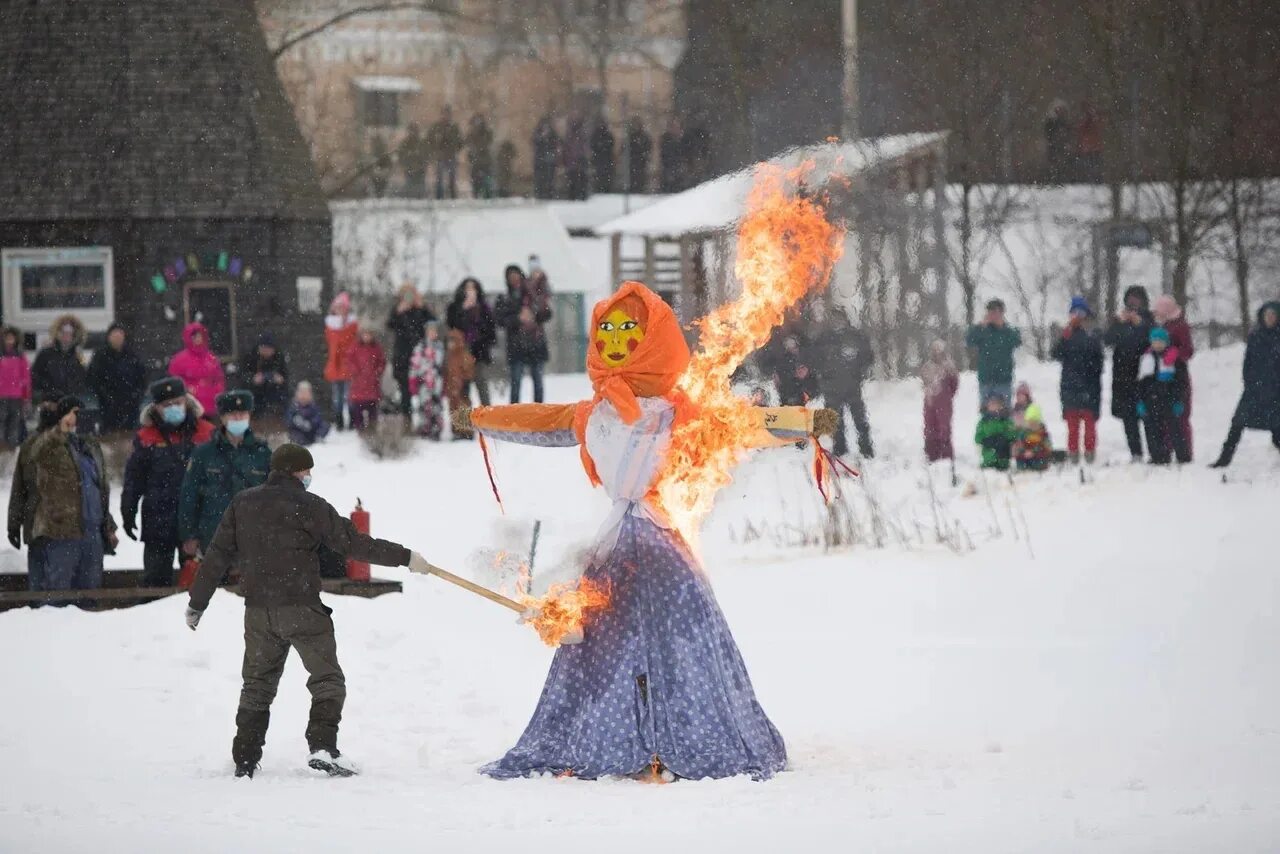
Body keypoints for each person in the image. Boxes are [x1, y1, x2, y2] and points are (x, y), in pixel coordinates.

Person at [464, 282, 834, 781]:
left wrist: (804, 421)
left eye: (629, 330)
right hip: (617, 544)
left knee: (682, 641)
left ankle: (685, 737)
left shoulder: (678, 413)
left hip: (656, 541)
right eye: (609, 330)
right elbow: (538, 420)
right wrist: (481, 417)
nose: (616, 339)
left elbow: (741, 423)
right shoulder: (592, 414)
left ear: (654, 339)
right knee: (602, 643)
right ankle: (610, 738)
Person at [184, 442, 429, 779]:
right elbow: (354, 544)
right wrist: (405, 557)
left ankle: (244, 758)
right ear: (298, 472)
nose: (309, 477)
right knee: (327, 680)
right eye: (307, 471)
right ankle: (323, 748)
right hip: (302, 609)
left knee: (256, 685)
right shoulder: (310, 505)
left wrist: (198, 602)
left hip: (258, 611)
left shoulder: (243, 503)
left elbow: (216, 556)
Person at [7, 397, 117, 595]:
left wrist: (108, 524)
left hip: (91, 532)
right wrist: (14, 524)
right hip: (58, 531)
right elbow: (22, 485)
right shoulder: (47, 445)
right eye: (71, 413)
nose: (76, 418)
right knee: (56, 597)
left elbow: (98, 490)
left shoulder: (90, 447)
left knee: (89, 595)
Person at [121, 377, 215, 586]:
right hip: (158, 521)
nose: (173, 408)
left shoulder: (207, 432)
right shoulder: (146, 437)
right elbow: (133, 480)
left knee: (199, 581)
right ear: (156, 408)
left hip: (196, 523)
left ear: (186, 401)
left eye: (177, 402)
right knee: (155, 580)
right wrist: (128, 509)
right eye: (167, 405)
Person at [178, 390, 271, 559]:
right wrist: (189, 535)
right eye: (232, 414)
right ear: (222, 418)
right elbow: (189, 496)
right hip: (213, 536)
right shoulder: (204, 453)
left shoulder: (263, 453)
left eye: (242, 414)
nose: (238, 418)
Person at [1210, 301, 1280, 469]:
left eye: (1273, 315)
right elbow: (1247, 363)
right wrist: (1249, 382)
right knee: (1237, 424)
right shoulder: (1255, 336)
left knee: (1277, 426)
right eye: (1267, 315)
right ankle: (1224, 458)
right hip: (1254, 389)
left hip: (1276, 391)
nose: (1269, 318)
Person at [810, 306, 874, 458]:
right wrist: (822, 374)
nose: (837, 321)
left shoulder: (856, 336)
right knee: (835, 422)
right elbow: (813, 359)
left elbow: (868, 356)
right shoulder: (823, 338)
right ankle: (839, 449)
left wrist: (860, 370)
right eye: (834, 318)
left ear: (845, 319)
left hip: (852, 386)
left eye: (840, 318)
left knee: (860, 420)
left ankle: (866, 449)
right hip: (831, 388)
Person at [1050, 296, 1104, 464]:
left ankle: (1090, 453)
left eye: (1081, 313)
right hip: (1069, 386)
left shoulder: (1093, 335)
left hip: (1089, 386)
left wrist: (1090, 378)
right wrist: (1063, 338)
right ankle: (1073, 453)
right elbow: (1055, 354)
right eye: (1074, 313)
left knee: (1089, 423)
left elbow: (1098, 361)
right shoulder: (1066, 335)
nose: (1077, 317)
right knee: (1072, 425)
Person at [1104, 286, 1154, 462]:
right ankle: (1136, 453)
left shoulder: (1149, 319)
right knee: (1128, 416)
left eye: (1137, 299)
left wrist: (1139, 324)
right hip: (1122, 376)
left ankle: (1156, 452)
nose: (1133, 303)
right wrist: (1118, 322)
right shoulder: (1120, 321)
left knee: (1148, 415)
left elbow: (1153, 338)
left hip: (1143, 376)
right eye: (1130, 299)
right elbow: (1108, 340)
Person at [496, 264, 552, 403]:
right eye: (511, 277)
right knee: (516, 383)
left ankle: (539, 413)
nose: (515, 280)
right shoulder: (505, 298)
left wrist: (534, 315)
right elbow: (500, 320)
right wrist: (517, 318)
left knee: (538, 382)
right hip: (516, 346)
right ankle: (514, 415)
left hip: (535, 343)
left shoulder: (533, 294)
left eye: (516, 276)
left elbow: (547, 313)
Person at [1137, 327, 1190, 465]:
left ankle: (1182, 456)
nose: (1157, 344)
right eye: (1155, 341)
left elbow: (1182, 382)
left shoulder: (1174, 359)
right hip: (1151, 400)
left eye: (1160, 341)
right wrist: (1141, 401)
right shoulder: (1147, 358)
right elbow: (1141, 383)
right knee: (1153, 429)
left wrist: (1179, 400)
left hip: (1169, 399)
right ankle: (1158, 456)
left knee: (1175, 429)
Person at [1152, 294, 1195, 458]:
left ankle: (1185, 450)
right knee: (1165, 416)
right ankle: (1167, 448)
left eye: (1159, 313)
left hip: (1179, 375)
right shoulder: (1161, 326)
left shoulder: (1180, 326)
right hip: (1163, 375)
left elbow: (1188, 350)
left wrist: (1175, 353)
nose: (1157, 316)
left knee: (1181, 415)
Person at [31, 314, 90, 429]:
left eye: (69, 334)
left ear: (74, 336)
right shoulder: (45, 354)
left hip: (70, 407)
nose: (66, 337)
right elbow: (35, 378)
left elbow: (82, 380)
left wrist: (75, 399)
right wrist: (42, 398)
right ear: (57, 334)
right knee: (47, 439)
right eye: (63, 333)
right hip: (50, 405)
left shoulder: (78, 357)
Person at [446, 277, 497, 408]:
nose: (470, 291)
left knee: (482, 385)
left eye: (473, 287)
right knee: (462, 388)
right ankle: (464, 423)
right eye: (467, 287)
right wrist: (463, 310)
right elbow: (452, 326)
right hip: (461, 353)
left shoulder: (484, 308)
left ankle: (488, 418)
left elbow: (491, 332)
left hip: (479, 353)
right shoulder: (455, 307)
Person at [87, 322, 146, 434]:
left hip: (130, 407)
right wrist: (106, 397)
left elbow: (142, 379)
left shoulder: (132, 355)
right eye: (114, 335)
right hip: (107, 407)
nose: (117, 338)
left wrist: (135, 397)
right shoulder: (100, 356)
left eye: (120, 335)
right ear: (108, 337)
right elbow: (94, 379)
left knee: (129, 439)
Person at [965, 299, 1021, 412]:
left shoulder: (1008, 331)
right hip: (986, 380)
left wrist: (1002, 327)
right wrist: (981, 326)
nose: (994, 315)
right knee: (986, 415)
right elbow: (969, 340)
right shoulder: (983, 330)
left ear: (1002, 313)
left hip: (1004, 380)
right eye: (991, 312)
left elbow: (1017, 341)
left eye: (997, 312)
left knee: (1005, 415)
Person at [387, 284, 434, 417]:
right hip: (402, 354)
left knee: (423, 389)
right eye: (405, 294)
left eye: (411, 293)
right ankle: (407, 419)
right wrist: (398, 312)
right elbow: (390, 325)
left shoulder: (421, 309)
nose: (409, 297)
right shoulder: (397, 309)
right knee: (404, 390)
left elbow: (432, 324)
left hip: (420, 355)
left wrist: (422, 307)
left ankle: (425, 420)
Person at [168, 321, 226, 418]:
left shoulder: (210, 357)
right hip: (191, 405)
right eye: (194, 337)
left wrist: (218, 392)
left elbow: (219, 378)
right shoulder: (179, 360)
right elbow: (174, 380)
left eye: (200, 336)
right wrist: (187, 388)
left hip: (211, 405)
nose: (198, 339)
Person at [324, 292, 359, 431]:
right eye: (338, 307)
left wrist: (343, 326)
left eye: (342, 307)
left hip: (348, 364)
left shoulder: (352, 325)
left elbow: (349, 343)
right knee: (337, 397)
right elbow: (334, 343)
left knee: (349, 396)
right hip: (335, 364)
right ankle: (339, 421)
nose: (340, 310)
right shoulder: (330, 325)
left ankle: (351, 421)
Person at [920, 339, 959, 463]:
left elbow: (955, 384)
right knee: (930, 427)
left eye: (940, 351)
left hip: (944, 402)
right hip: (930, 401)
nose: (937, 354)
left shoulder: (949, 367)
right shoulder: (927, 367)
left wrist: (947, 396)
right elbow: (924, 382)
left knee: (944, 428)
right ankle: (932, 454)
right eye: (934, 351)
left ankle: (946, 454)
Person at [410, 321, 447, 440]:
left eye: (434, 331)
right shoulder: (420, 346)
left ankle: (437, 428)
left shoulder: (440, 347)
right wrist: (413, 380)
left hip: (437, 381)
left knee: (437, 406)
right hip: (423, 381)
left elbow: (444, 365)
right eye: (430, 331)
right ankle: (424, 428)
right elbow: (415, 364)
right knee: (424, 405)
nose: (432, 334)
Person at [240, 333, 289, 418]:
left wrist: (281, 379)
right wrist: (252, 379)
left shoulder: (279, 357)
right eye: (264, 348)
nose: (266, 351)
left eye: (269, 349)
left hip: (273, 390)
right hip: (255, 392)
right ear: (259, 348)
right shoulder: (250, 356)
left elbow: (286, 376)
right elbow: (241, 375)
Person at [347, 328, 387, 431]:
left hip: (372, 384)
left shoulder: (376, 348)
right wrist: (355, 372)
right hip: (358, 383)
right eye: (365, 334)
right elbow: (349, 360)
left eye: (369, 334)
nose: (367, 337)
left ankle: (372, 428)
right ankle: (359, 428)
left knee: (372, 409)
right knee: (358, 409)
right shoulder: (355, 347)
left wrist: (377, 372)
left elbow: (382, 361)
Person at [0, 326, 31, 448]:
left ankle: (11, 450)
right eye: (7, 338)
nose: (9, 341)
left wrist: (25, 397)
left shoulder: (20, 356)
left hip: (16, 397)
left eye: (11, 338)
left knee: (14, 424)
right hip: (1, 396)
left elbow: (25, 379)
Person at [427, 105, 464, 199]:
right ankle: (439, 197)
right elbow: (430, 141)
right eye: (444, 114)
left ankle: (452, 198)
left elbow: (460, 142)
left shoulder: (454, 127)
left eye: (447, 114)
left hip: (451, 156)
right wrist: (435, 150)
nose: (445, 116)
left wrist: (454, 147)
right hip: (440, 157)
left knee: (452, 179)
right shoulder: (436, 127)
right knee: (439, 179)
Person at [975, 393, 1015, 471]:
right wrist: (984, 440)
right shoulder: (984, 421)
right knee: (989, 458)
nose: (994, 407)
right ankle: (990, 463)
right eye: (992, 404)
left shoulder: (1005, 420)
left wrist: (1004, 438)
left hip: (1003, 450)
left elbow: (1012, 434)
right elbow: (978, 436)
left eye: (997, 404)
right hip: (988, 449)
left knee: (1002, 456)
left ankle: (1002, 463)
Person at [286, 382, 331, 447]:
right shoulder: (294, 406)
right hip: (299, 430)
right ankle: (301, 441)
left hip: (312, 431)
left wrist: (311, 423)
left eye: (306, 393)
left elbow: (318, 417)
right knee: (295, 435)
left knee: (325, 425)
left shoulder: (313, 406)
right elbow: (288, 419)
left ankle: (318, 438)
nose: (303, 396)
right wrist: (296, 421)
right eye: (301, 393)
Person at [1013, 403, 1053, 471]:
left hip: (1038, 457)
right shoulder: (1024, 433)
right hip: (1025, 457)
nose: (1032, 425)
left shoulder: (1043, 433)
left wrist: (1034, 452)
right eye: (1030, 422)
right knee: (1020, 462)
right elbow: (1019, 444)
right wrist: (1023, 451)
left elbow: (1047, 447)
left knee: (1040, 462)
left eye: (1035, 422)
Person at [561, 114, 590, 201]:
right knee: (575, 180)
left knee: (577, 180)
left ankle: (577, 195)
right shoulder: (575, 136)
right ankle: (575, 195)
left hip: (575, 162)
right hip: (574, 162)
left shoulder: (579, 136)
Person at [532, 112, 560, 199]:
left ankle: (549, 194)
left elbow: (557, 142)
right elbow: (534, 142)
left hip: (549, 159)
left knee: (550, 178)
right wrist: (541, 138)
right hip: (540, 159)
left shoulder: (552, 133)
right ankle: (540, 194)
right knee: (540, 178)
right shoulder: (537, 132)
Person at [466, 114, 494, 199]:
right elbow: (468, 144)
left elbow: (486, 143)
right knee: (475, 180)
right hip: (475, 160)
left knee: (487, 179)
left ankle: (487, 194)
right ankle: (476, 194)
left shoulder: (486, 132)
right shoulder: (471, 133)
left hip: (485, 159)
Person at [1044, 99, 1071, 183]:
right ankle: (1054, 179)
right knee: (1053, 162)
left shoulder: (1064, 121)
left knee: (1062, 163)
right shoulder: (1051, 121)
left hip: (1060, 145)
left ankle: (1061, 179)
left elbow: (1068, 132)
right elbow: (1047, 133)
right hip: (1053, 144)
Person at [398, 122, 428, 198]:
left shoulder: (422, 143)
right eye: (411, 131)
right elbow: (401, 156)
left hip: (420, 169)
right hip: (409, 169)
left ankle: (420, 199)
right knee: (409, 188)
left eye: (414, 131)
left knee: (420, 189)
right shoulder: (404, 143)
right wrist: (405, 166)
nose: (412, 133)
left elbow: (425, 156)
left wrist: (422, 165)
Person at [624, 117, 652, 194]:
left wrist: (645, 156)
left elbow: (648, 147)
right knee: (633, 178)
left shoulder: (644, 137)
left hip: (641, 162)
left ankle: (640, 190)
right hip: (633, 161)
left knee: (641, 178)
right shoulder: (631, 137)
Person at [590, 117, 615, 193]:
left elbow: (611, 144)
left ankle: (605, 189)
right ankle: (600, 189)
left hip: (606, 159)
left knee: (605, 176)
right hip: (599, 159)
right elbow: (593, 145)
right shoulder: (595, 135)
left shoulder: (607, 135)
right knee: (600, 176)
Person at [659, 117, 684, 193]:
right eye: (673, 126)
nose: (675, 128)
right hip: (669, 167)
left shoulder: (682, 139)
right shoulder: (666, 139)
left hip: (678, 168)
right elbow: (665, 154)